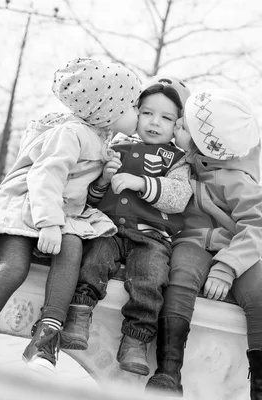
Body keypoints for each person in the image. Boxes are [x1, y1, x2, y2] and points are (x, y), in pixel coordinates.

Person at [0, 58, 143, 375]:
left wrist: (103, 182)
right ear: (108, 108)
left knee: (73, 248)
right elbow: (45, 178)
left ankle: (45, 339)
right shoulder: (71, 133)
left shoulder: (99, 138)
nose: (138, 112)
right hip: (26, 206)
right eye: (133, 105)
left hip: (60, 213)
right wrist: (49, 223)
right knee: (14, 266)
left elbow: (80, 192)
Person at [145, 89, 262, 399]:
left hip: (237, 251)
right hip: (191, 243)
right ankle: (168, 371)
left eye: (183, 126)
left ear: (202, 144)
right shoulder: (182, 166)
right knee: (180, 278)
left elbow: (258, 227)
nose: (176, 123)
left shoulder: (239, 180)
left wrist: (227, 267)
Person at [61, 76, 193, 376]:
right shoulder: (115, 146)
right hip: (108, 229)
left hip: (151, 236)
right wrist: (104, 181)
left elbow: (178, 198)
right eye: (147, 113)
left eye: (166, 117)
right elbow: (91, 198)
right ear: (135, 113)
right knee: (93, 259)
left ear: (177, 126)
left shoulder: (177, 160)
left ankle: (135, 340)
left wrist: (140, 182)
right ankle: (79, 316)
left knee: (151, 276)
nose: (154, 122)